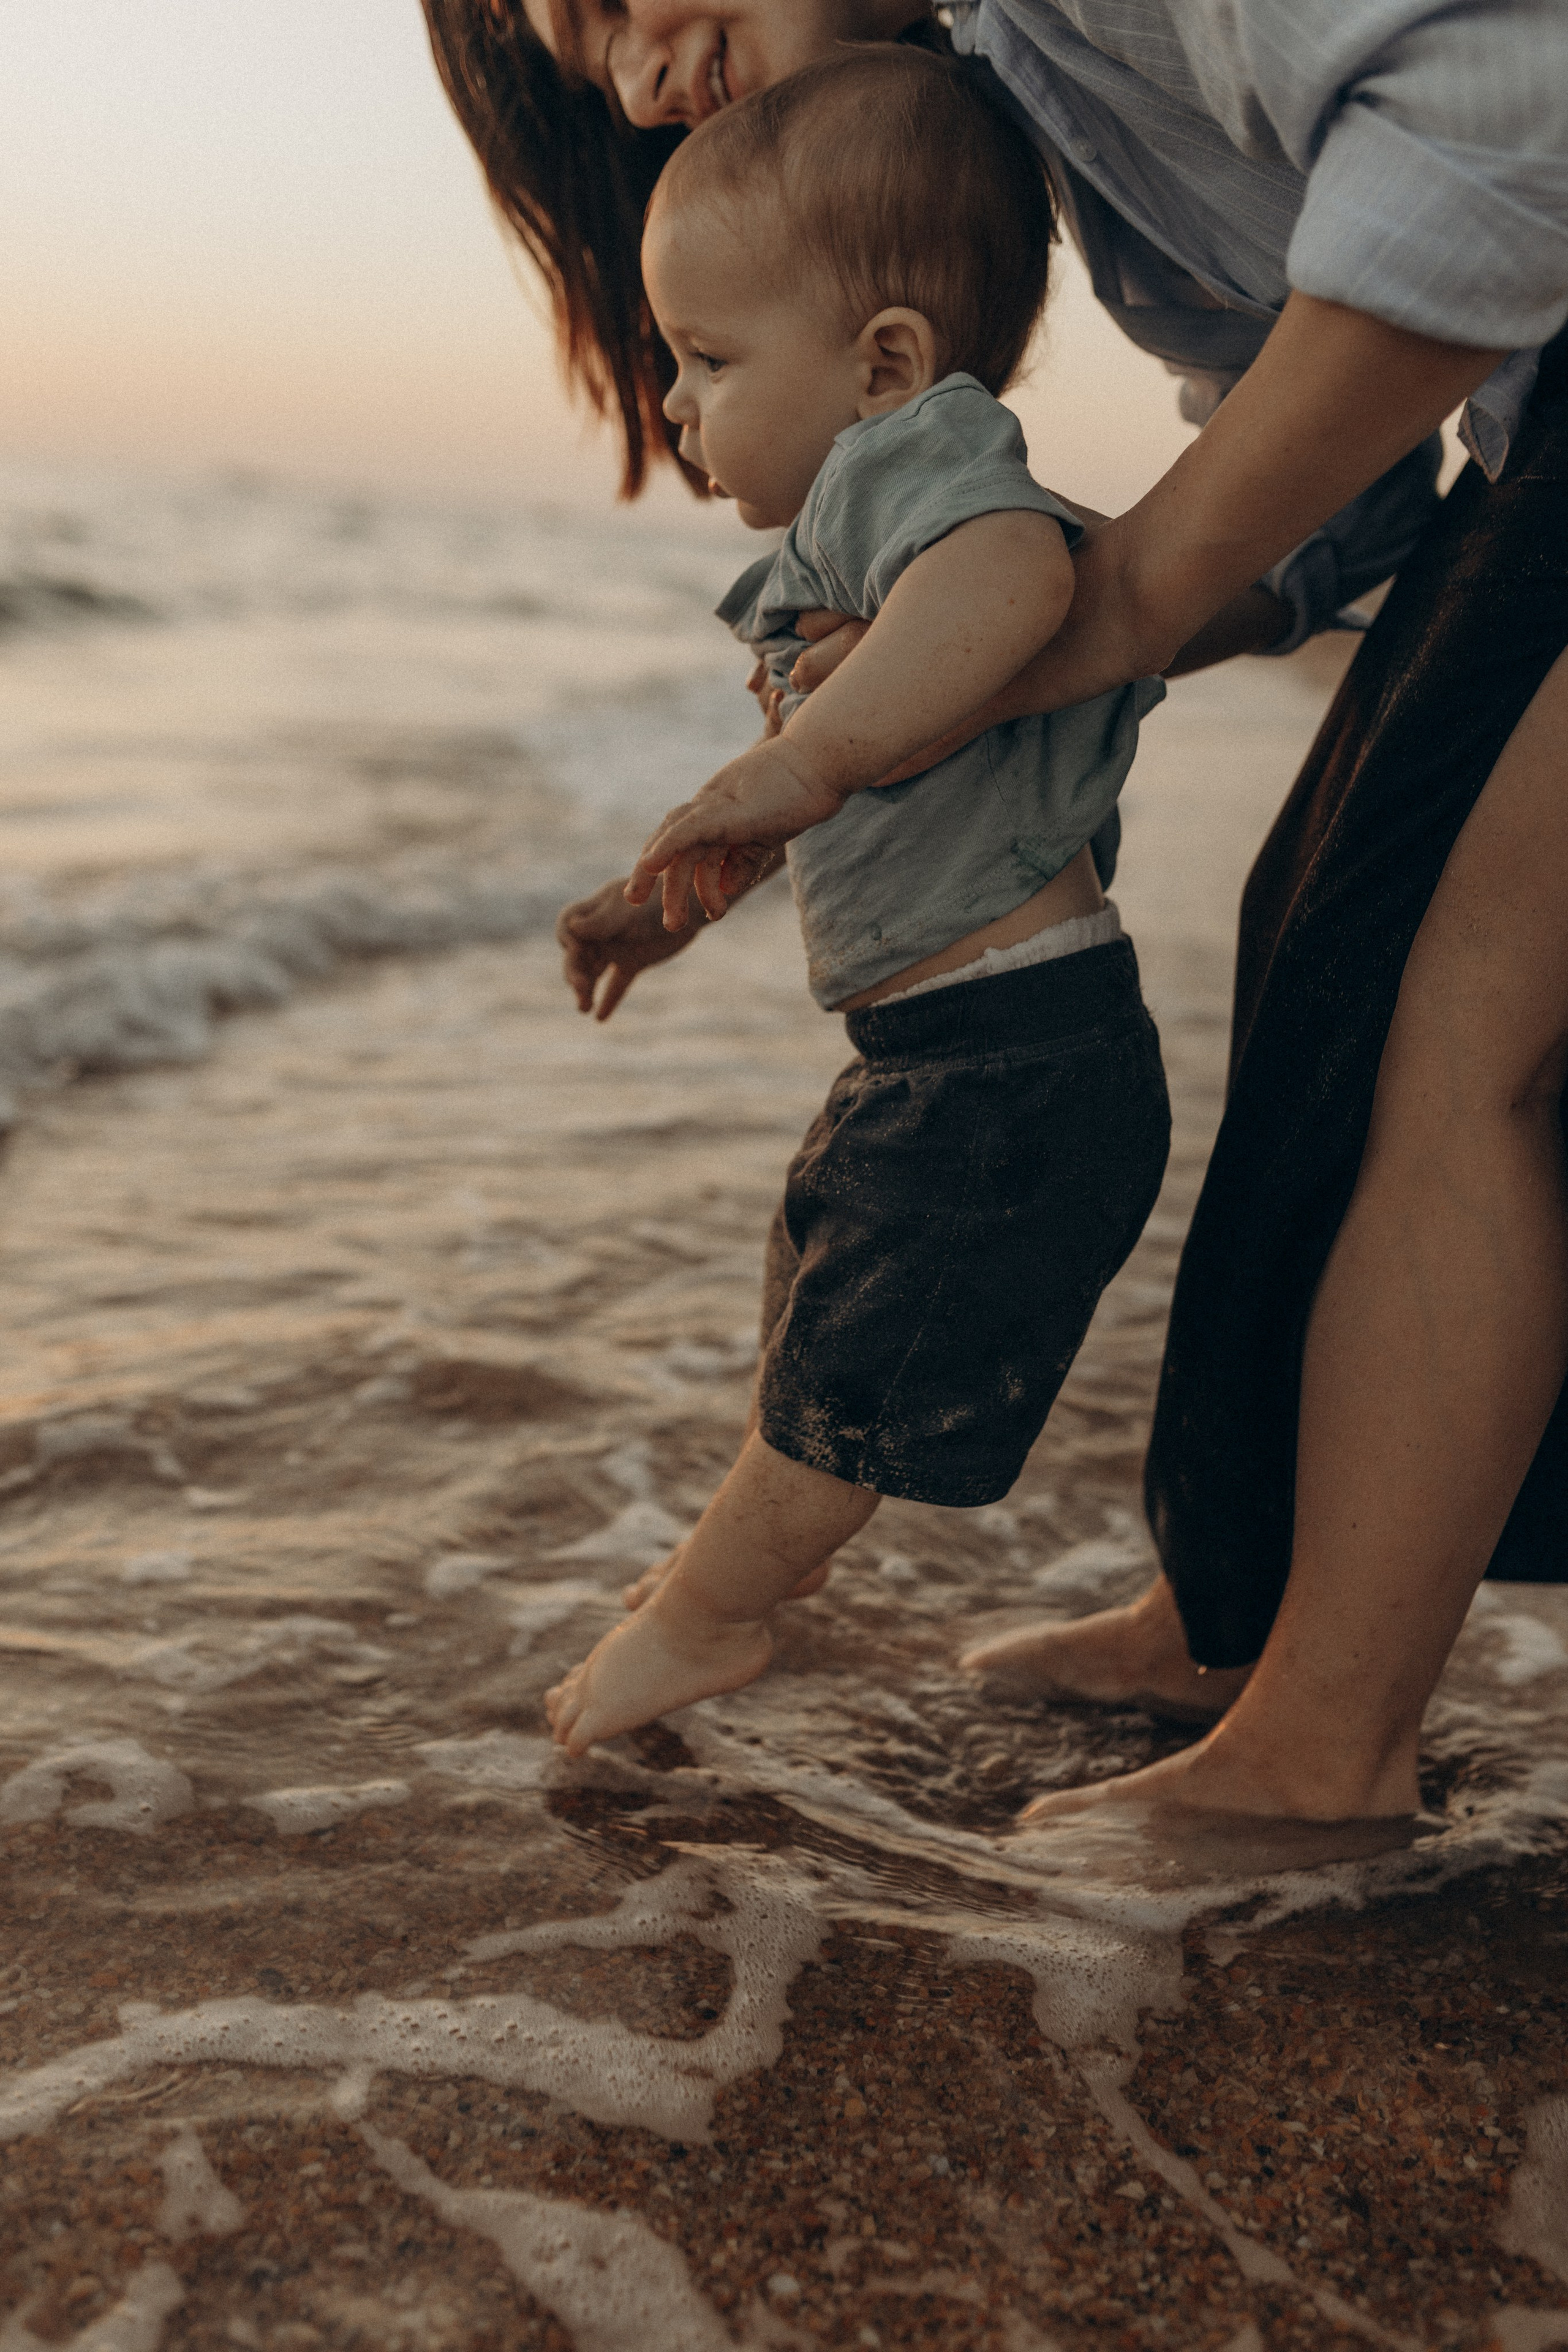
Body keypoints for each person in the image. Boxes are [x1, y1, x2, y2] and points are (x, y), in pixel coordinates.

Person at [425, 0, 1568, 1831]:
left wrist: (1099, 611)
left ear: (879, 357)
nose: (638, 83)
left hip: (1009, 1042)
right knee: (1322, 965)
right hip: (1521, 440)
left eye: (605, 5)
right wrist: (943, 695)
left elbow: (1508, 115)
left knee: (1456, 1027)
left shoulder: (937, 418)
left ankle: (1318, 1750)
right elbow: (1334, 491)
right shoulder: (1042, 114)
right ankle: (1237, 1623)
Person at [545, 48, 1174, 1755]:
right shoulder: (853, 534)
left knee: (845, 1373)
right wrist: (671, 897)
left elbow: (1015, 573)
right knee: (828, 1330)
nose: (676, 405)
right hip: (953, 1054)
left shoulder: (920, 464)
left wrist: (805, 763)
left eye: (709, 359)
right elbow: (839, 777)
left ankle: (711, 1615)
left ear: (884, 361)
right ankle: (738, 1581)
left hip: (1008, 1055)